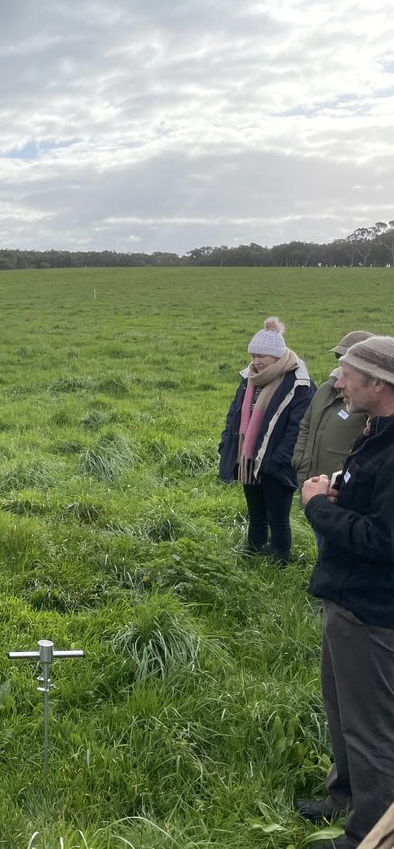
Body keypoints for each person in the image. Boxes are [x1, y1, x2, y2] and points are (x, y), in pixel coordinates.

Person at [299, 335, 394, 849]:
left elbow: (385, 540)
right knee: (340, 706)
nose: (336, 381)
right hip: (348, 596)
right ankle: (343, 796)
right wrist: (343, 491)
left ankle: (370, 833)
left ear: (378, 383)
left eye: (348, 374)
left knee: (372, 725)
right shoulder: (376, 432)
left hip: (374, 611)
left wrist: (319, 507)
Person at [217, 317, 312, 565]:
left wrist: (279, 458)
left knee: (278, 517)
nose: (256, 362)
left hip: (276, 462)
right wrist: (227, 442)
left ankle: (280, 560)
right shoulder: (248, 379)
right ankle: (253, 552)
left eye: (262, 357)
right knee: (256, 514)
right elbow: (235, 413)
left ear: (277, 357)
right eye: (253, 356)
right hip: (248, 459)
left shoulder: (298, 384)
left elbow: (298, 426)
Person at [294, 331, 373, 492]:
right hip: (314, 481)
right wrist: (299, 459)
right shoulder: (326, 388)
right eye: (341, 358)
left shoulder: (367, 398)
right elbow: (306, 425)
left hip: (344, 486)